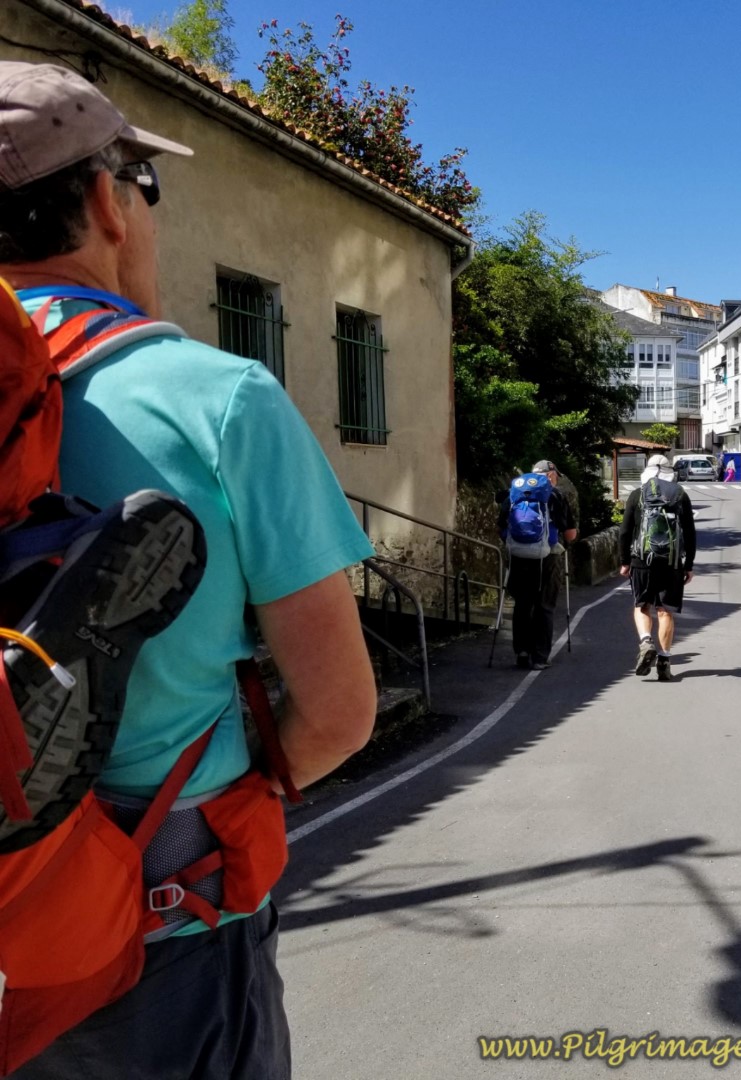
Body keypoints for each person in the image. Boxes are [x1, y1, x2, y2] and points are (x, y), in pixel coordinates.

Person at [0, 62, 377, 1077]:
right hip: (164, 933)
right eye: (143, 185)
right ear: (104, 202)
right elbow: (338, 712)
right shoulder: (218, 399)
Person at [619, 455, 696, 682]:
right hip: (671, 562)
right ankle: (664, 661)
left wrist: (625, 561)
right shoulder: (680, 494)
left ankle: (646, 642)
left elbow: (625, 532)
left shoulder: (637, 494)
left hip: (641, 560)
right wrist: (688, 565)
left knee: (642, 606)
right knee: (665, 611)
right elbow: (690, 533)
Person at [505, 459, 576, 671]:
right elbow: (570, 534)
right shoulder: (555, 496)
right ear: (551, 474)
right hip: (548, 558)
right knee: (544, 606)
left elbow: (502, 525)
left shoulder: (515, 492)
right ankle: (540, 657)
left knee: (522, 604)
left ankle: (522, 651)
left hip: (518, 556)